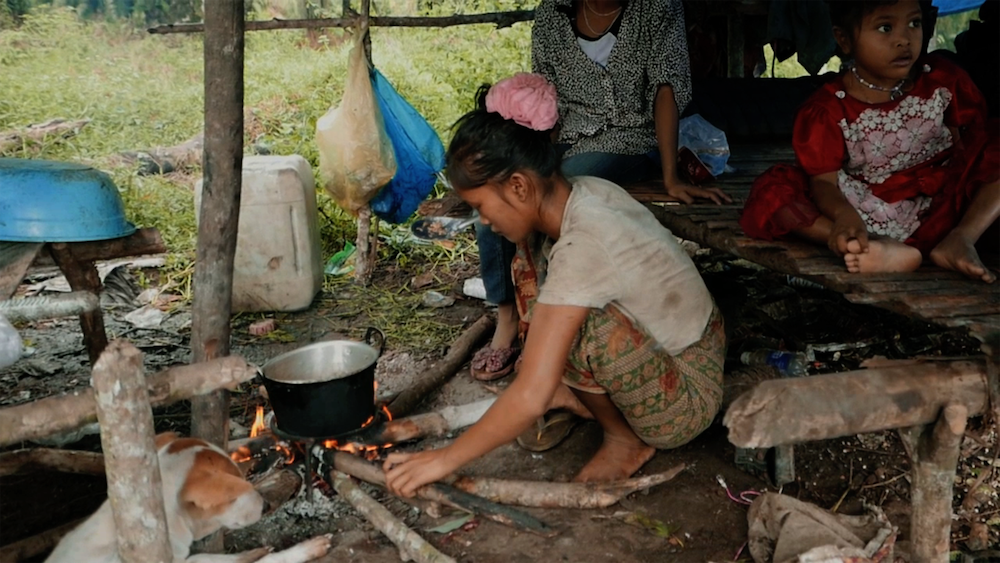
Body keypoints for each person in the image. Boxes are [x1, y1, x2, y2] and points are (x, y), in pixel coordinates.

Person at [383, 75, 726, 496]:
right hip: (685, 344)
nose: (483, 220)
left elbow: (530, 394)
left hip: (688, 396)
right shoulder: (582, 193)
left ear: (519, 186)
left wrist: (443, 458)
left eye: (480, 206)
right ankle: (575, 390)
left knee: (586, 327)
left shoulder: (585, 244)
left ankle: (626, 439)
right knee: (528, 261)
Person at [470, 0, 729, 382]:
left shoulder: (658, 10)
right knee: (492, 205)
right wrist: (528, 160)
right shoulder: (551, 15)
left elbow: (666, 90)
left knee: (554, 198)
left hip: (627, 138)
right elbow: (545, 94)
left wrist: (672, 176)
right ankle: (508, 317)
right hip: (565, 135)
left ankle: (549, 331)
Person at [739, 0, 1000, 282]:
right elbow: (824, 183)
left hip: (943, 206)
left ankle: (961, 239)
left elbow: (970, 145)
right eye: (885, 28)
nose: (904, 40)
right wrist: (843, 216)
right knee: (773, 189)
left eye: (914, 23)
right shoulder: (828, 109)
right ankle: (866, 244)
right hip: (865, 208)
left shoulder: (943, 80)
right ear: (844, 39)